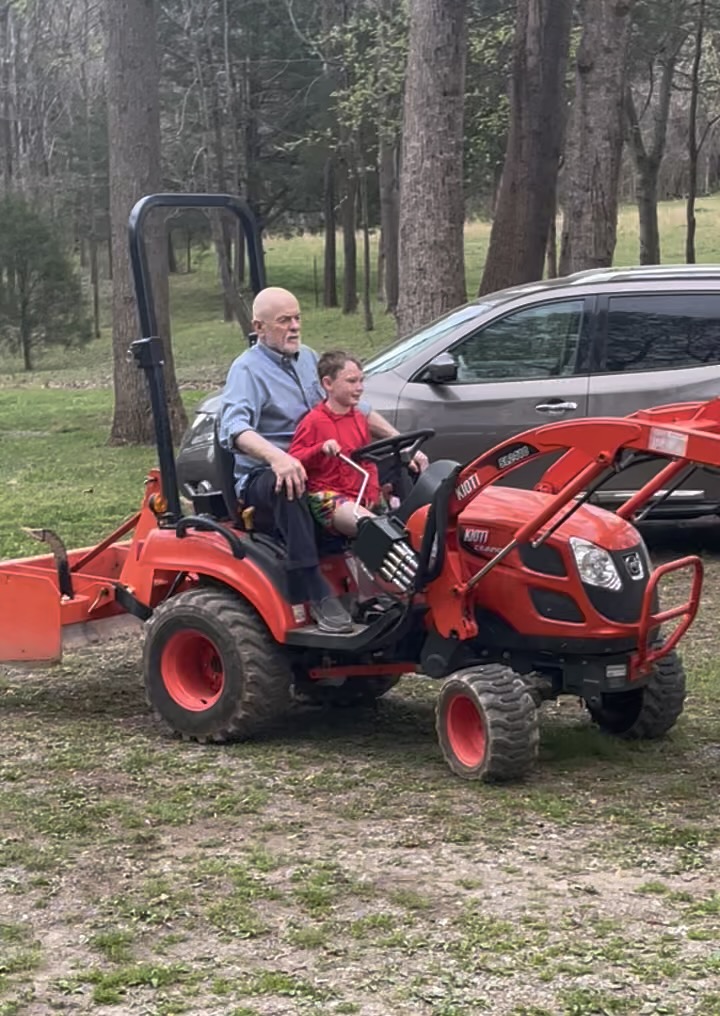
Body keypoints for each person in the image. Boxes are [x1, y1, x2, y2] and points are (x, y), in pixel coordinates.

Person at [219, 286, 428, 634]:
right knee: (291, 482)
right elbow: (235, 428)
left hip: (322, 462)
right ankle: (312, 586)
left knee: (397, 466)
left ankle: (407, 567)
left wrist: (402, 444)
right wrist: (277, 457)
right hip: (267, 473)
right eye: (284, 321)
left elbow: (353, 407)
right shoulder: (247, 371)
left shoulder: (307, 359)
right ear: (259, 327)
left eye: (297, 318)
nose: (294, 327)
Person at [288, 350, 385, 538]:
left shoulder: (359, 419)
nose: (359, 388)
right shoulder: (314, 421)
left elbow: (367, 460)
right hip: (328, 494)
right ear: (328, 384)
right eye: (351, 381)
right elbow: (294, 459)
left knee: (404, 521)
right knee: (375, 531)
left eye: (361, 381)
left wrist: (372, 489)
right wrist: (320, 449)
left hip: (359, 492)